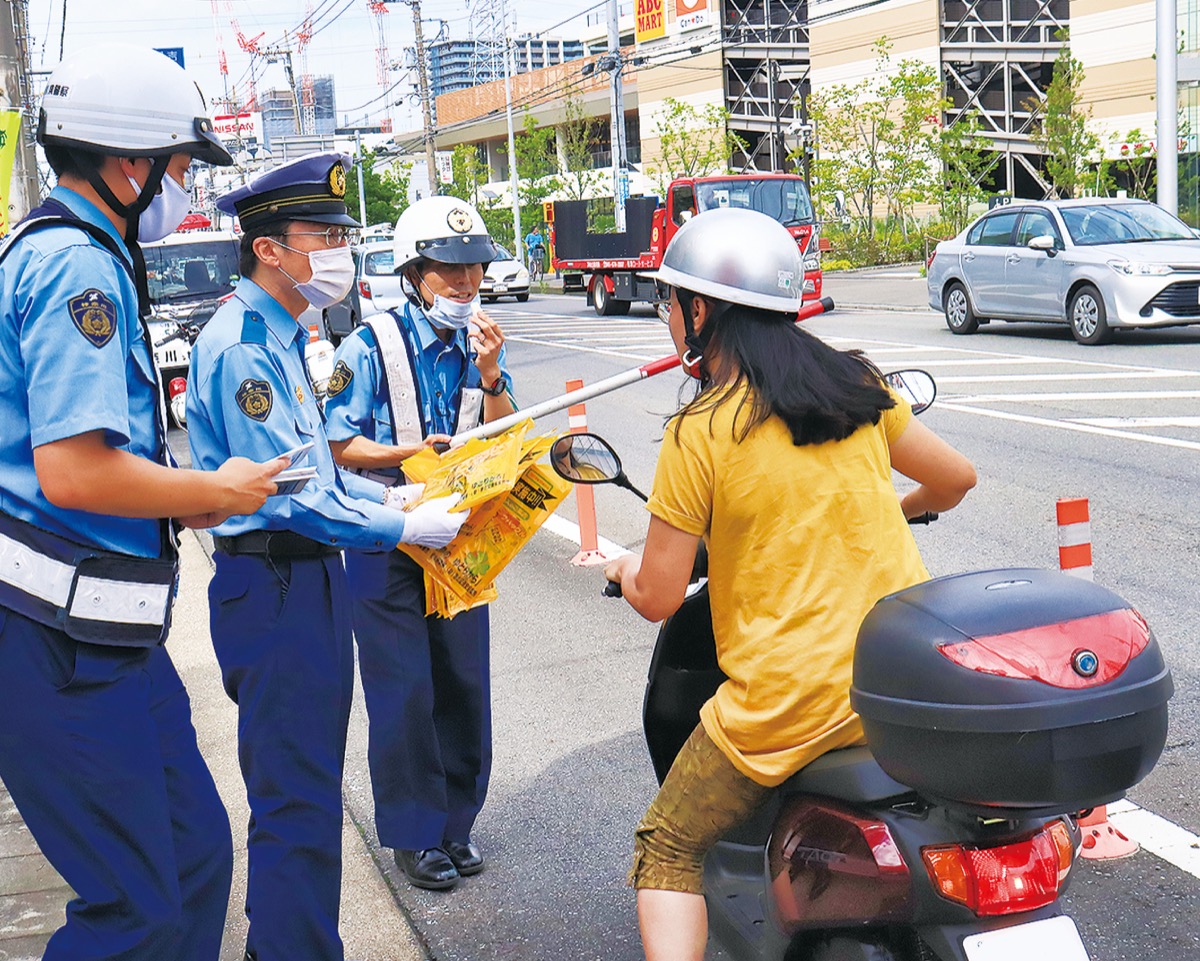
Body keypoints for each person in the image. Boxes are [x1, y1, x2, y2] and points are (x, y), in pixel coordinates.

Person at [602, 208, 977, 961]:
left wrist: (620, 567)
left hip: (790, 701)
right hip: (896, 682)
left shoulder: (701, 429)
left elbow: (660, 596)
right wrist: (889, 512)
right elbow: (955, 479)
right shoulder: (858, 385)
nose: (666, 317)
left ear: (700, 311)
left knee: (666, 846)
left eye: (668, 302)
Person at [0, 44, 287, 961]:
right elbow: (76, 472)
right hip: (54, 638)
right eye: (179, 167)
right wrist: (212, 488)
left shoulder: (91, 257)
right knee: (133, 908)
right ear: (129, 165)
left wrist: (179, 503)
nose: (184, 188)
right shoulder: (77, 270)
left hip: (108, 638)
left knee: (197, 858)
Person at [186, 154, 467, 961]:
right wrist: (400, 529)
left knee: (304, 792)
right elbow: (293, 497)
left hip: (298, 577)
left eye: (345, 233)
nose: (342, 248)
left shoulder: (282, 334)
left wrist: (390, 501)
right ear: (270, 248)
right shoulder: (244, 346)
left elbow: (319, 472)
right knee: (297, 798)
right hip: (274, 578)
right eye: (326, 234)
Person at [323, 195, 515, 891]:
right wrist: (414, 453)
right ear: (412, 273)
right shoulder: (368, 345)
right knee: (404, 690)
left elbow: (504, 434)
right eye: (447, 272)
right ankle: (412, 834)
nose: (465, 286)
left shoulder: (481, 342)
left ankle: (455, 824)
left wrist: (491, 377)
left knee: (464, 682)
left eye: (474, 272)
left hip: (459, 541)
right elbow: (339, 445)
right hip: (386, 536)